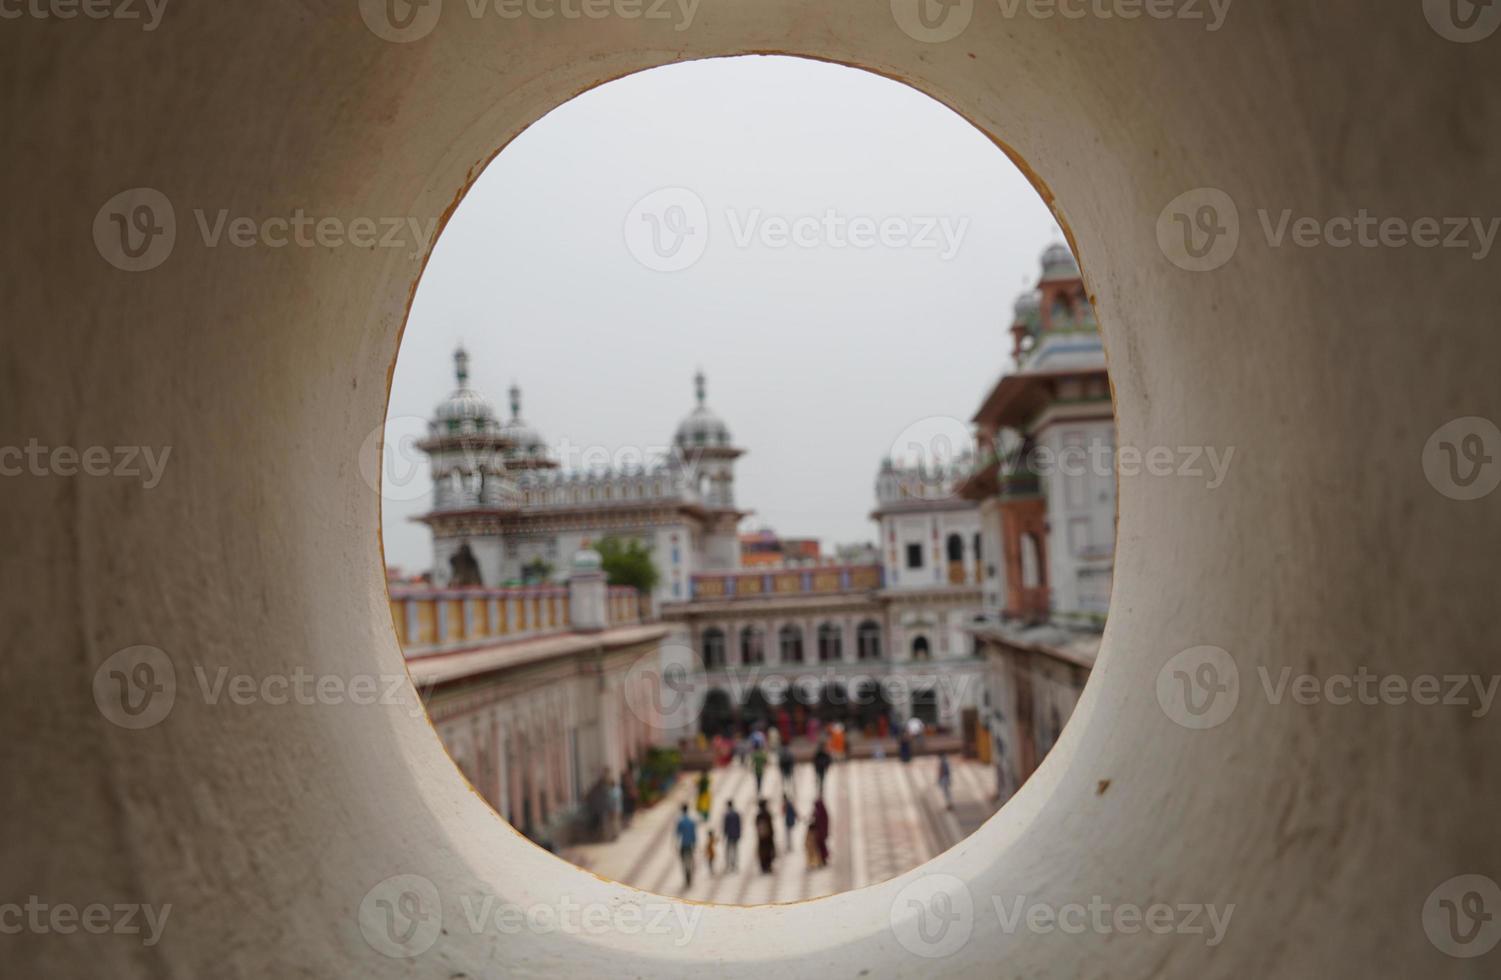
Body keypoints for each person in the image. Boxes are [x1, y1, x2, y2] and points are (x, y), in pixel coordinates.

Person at [675, 804, 697, 887]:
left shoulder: (680, 821)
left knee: (684, 862)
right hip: (690, 844)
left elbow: (677, 834)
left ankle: (686, 876)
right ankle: (689, 875)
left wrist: (676, 844)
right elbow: (694, 834)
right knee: (690, 861)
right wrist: (695, 843)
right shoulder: (691, 821)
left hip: (683, 845)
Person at [754, 799, 776, 874]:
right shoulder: (767, 814)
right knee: (768, 851)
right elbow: (771, 825)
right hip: (768, 836)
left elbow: (756, 825)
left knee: (763, 852)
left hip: (762, 837)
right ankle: (767, 866)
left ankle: (764, 866)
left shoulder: (759, 815)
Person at [809, 796, 831, 868]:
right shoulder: (818, 810)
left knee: (821, 847)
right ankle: (821, 860)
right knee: (820, 847)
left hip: (821, 833)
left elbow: (823, 823)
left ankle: (823, 860)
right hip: (819, 833)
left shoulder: (821, 812)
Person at [723, 800, 742, 871]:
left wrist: (725, 834)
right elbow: (739, 825)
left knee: (729, 850)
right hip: (735, 835)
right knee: (735, 849)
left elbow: (725, 826)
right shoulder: (736, 814)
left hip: (729, 835)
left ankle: (729, 864)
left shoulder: (727, 815)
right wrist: (739, 833)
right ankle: (734, 864)